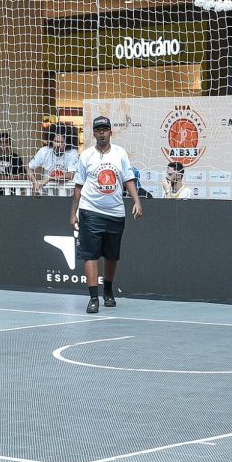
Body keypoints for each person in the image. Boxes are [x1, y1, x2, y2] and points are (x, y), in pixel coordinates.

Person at [70, 116, 142, 314]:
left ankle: (108, 291)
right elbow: (78, 186)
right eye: (98, 129)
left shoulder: (120, 154)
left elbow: (128, 179)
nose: (102, 132)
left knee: (111, 256)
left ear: (111, 132)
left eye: (105, 129)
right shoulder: (86, 156)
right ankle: (93, 298)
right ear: (93, 133)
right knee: (90, 255)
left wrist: (137, 201)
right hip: (90, 210)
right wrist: (73, 213)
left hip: (115, 212)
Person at [28, 128, 78, 192]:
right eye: (56, 141)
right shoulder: (44, 151)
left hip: (66, 194)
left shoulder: (72, 153)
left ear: (67, 143)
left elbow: (70, 175)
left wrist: (50, 178)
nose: (58, 145)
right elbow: (29, 167)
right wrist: (34, 182)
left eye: (61, 142)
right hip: (47, 193)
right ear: (51, 141)